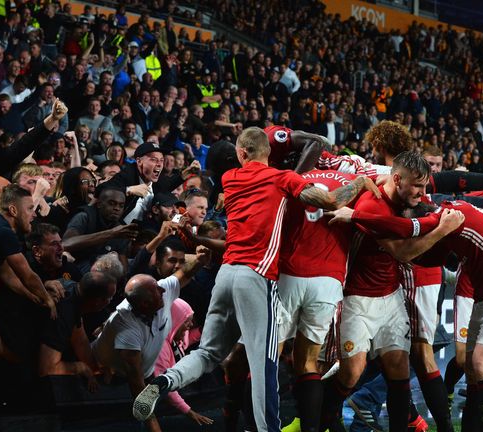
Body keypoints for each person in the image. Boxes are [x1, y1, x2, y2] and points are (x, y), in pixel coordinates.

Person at [133, 127, 378, 432]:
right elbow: (328, 200)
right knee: (264, 365)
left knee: (209, 354)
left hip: (227, 273)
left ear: (241, 154)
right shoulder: (282, 179)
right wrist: (359, 182)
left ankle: (164, 381)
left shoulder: (230, 179)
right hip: (257, 276)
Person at [321, 152, 464, 432]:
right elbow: (402, 252)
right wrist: (441, 229)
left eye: (425, 187)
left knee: (399, 369)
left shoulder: (405, 195)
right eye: (417, 187)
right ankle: (315, 422)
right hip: (357, 299)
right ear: (397, 179)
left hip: (391, 296)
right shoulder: (372, 204)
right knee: (351, 373)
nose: (423, 194)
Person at [402, 199, 483, 432]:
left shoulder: (450, 218)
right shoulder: (452, 216)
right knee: (472, 369)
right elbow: (432, 257)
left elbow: (421, 242)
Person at [93, 246, 211, 432]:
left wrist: (199, 261)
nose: (163, 291)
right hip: (113, 374)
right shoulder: (127, 329)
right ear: (145, 304)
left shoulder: (159, 290)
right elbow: (137, 383)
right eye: (157, 291)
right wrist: (154, 426)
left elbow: (183, 275)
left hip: (144, 370)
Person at [153, 298, 214, 426]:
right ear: (175, 321)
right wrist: (189, 412)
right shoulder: (160, 348)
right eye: (186, 321)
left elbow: (185, 343)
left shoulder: (174, 337)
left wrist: (201, 332)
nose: (191, 325)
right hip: (160, 400)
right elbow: (166, 389)